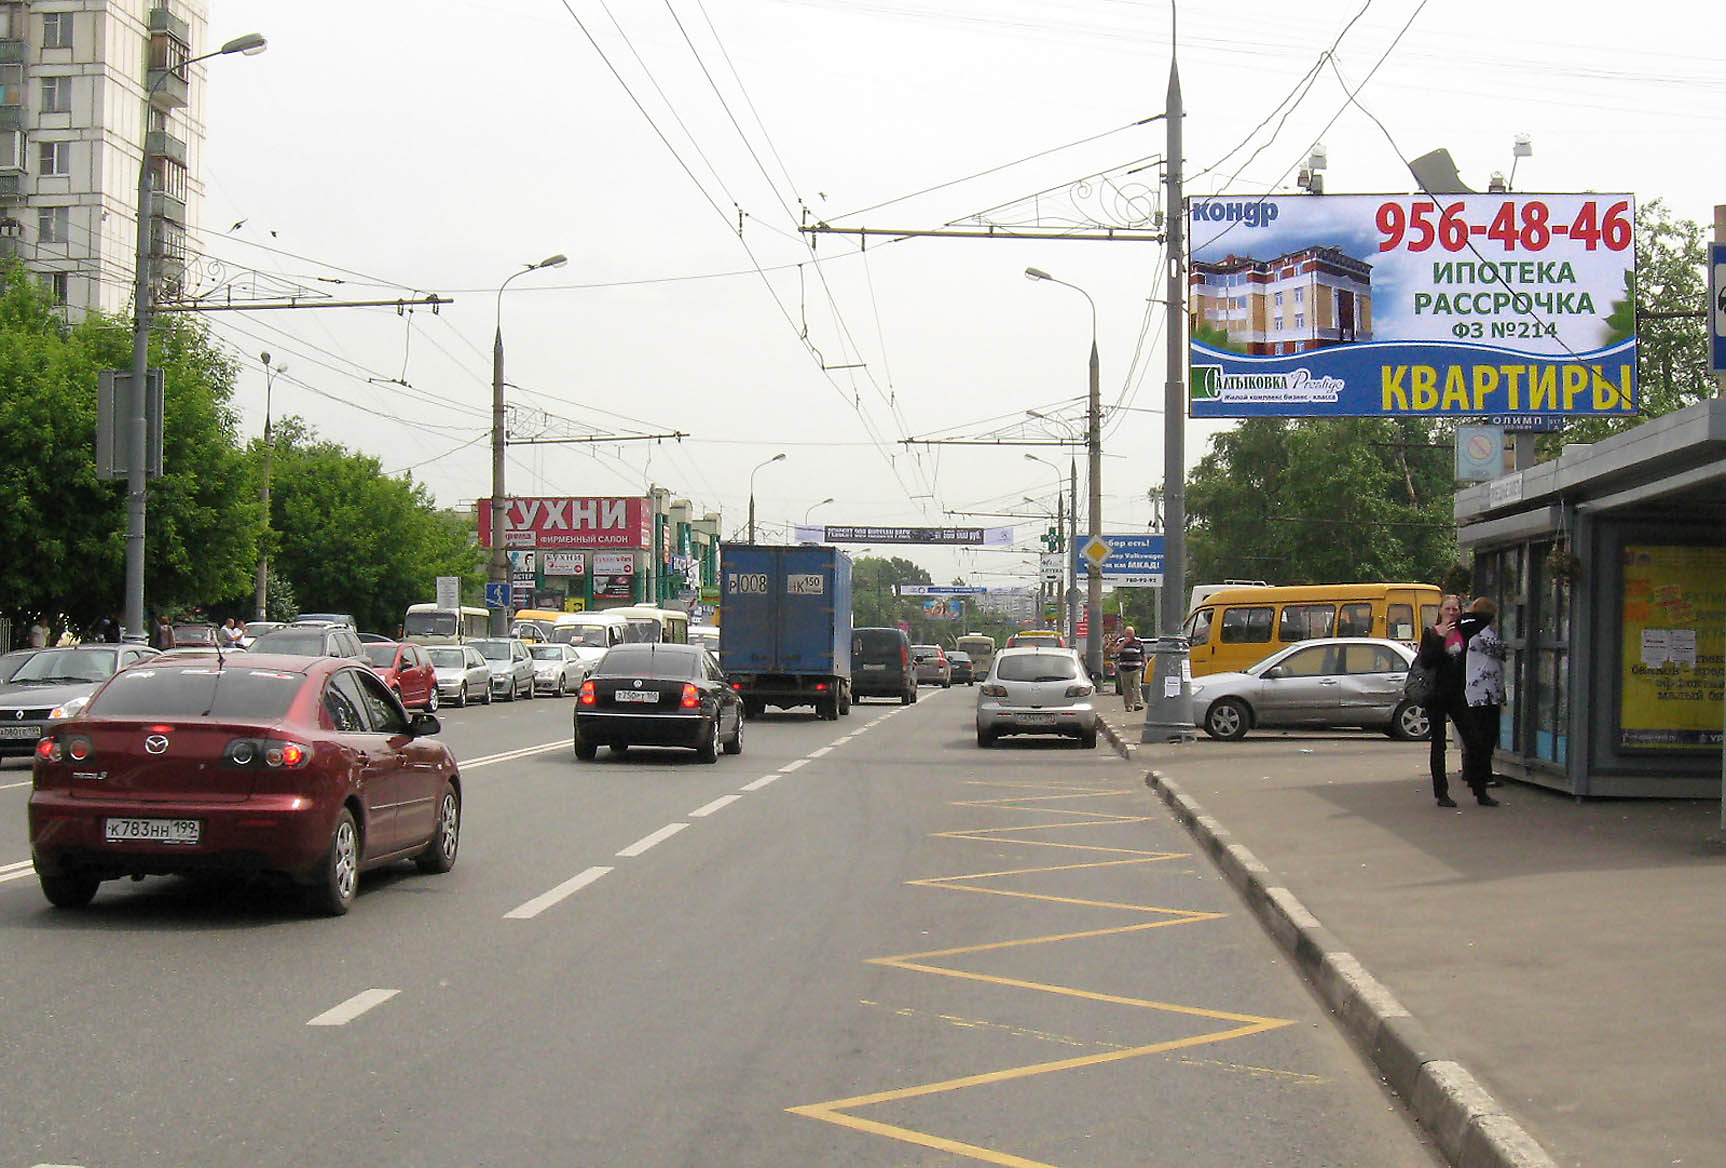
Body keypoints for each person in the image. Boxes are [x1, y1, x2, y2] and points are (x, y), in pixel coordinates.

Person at [1417, 594, 1497, 808]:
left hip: (1456, 695)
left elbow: (1485, 616)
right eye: (1448, 609)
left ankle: (1480, 790)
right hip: (1435, 695)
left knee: (1475, 741)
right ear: (1440, 611)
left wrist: (1465, 615)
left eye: (1455, 609)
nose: (1451, 613)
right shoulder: (1431, 633)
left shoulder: (1463, 630)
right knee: (1439, 744)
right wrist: (1442, 637)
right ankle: (1441, 793)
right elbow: (1426, 660)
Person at [1464, 596, 1508, 791]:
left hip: (1474, 689)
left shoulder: (1468, 629)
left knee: (1478, 734)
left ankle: (1473, 772)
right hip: (1486, 691)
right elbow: (1500, 650)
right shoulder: (1483, 632)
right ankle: (1482, 775)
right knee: (1487, 735)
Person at [1113, 625, 1147, 712]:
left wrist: (1145, 663)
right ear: (1124, 633)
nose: (1129, 635)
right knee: (1127, 688)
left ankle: (1138, 703)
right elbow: (1116, 651)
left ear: (1134, 633)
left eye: (1130, 633)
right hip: (1124, 668)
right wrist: (1124, 643)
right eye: (1127, 633)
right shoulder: (1120, 641)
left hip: (1137, 668)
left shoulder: (1139, 641)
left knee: (1137, 686)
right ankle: (1128, 705)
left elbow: (1143, 653)